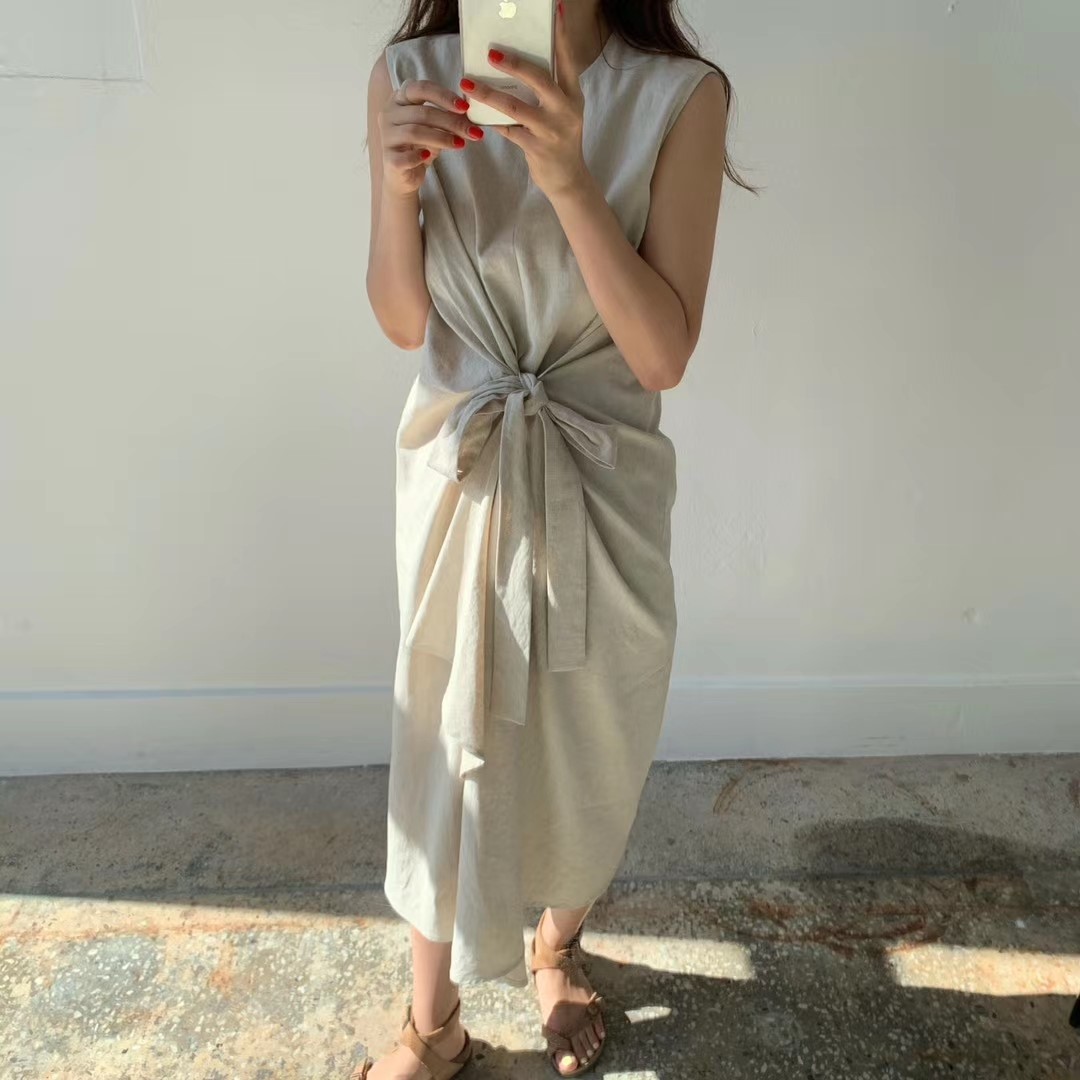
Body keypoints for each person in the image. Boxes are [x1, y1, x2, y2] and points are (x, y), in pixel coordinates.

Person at [357, 1, 755, 1076]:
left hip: (601, 469)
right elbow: (403, 321)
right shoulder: (409, 73)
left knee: (597, 729)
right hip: (463, 463)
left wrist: (571, 177)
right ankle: (432, 1021)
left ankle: (555, 940)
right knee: (443, 734)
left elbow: (662, 354)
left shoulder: (679, 98)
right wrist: (395, 191)